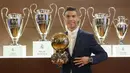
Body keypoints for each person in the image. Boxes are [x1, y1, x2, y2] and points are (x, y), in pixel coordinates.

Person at [52, 6, 108, 73]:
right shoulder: (59, 38)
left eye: (73, 16)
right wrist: (58, 62)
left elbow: (103, 55)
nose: (70, 19)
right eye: (68, 16)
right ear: (64, 19)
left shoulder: (88, 37)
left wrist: (89, 59)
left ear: (78, 18)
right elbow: (58, 58)